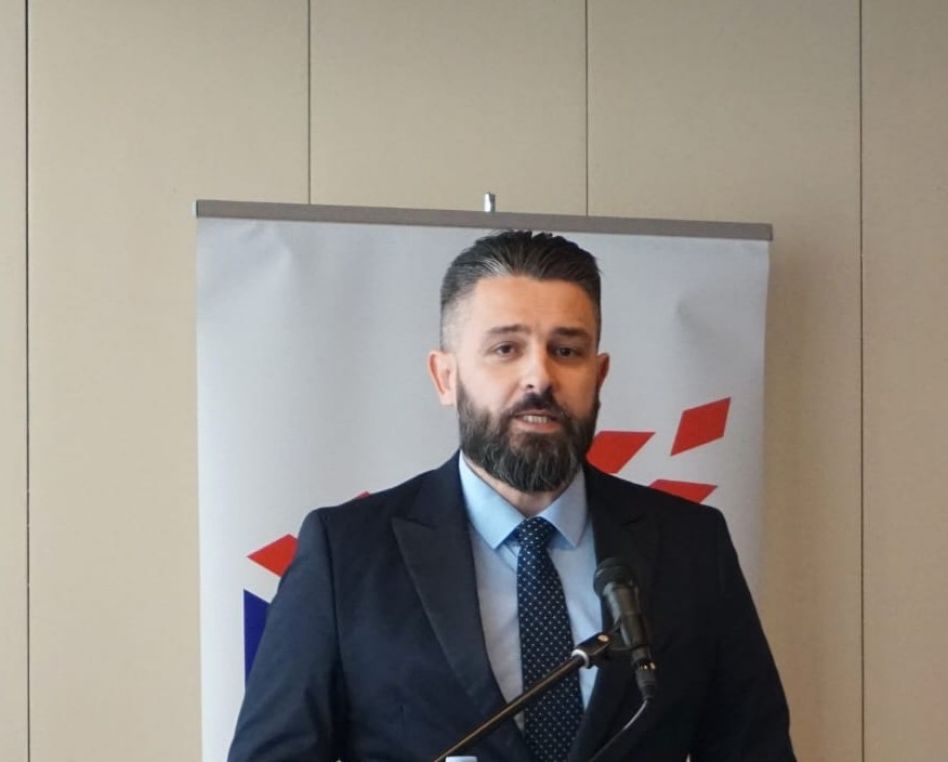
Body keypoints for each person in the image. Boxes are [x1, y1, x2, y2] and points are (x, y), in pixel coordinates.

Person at [228, 231, 796, 762]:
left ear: (599, 376)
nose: (539, 378)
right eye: (505, 348)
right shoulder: (346, 553)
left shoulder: (691, 545)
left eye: (566, 351)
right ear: (445, 377)